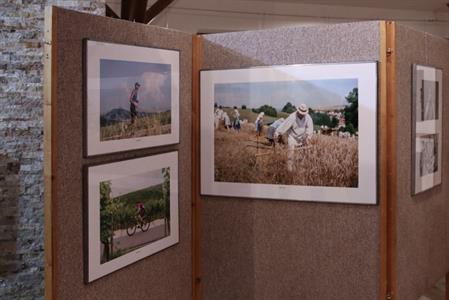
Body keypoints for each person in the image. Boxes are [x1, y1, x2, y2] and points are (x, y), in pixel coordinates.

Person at [275, 103, 314, 171]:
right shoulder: (292, 116)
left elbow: (310, 128)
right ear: (298, 111)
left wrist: (308, 137)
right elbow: (285, 125)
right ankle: (289, 170)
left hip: (302, 138)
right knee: (291, 154)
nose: (302, 115)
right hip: (292, 137)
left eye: (303, 114)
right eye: (300, 113)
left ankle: (300, 168)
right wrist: (278, 132)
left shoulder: (308, 118)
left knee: (302, 155)